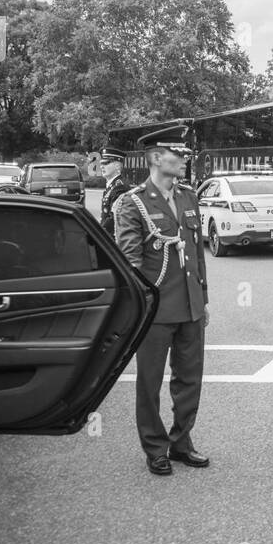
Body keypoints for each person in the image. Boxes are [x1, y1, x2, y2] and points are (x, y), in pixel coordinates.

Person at [114, 126, 211, 476]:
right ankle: (155, 448)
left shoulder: (188, 197)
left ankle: (182, 443)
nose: (185, 159)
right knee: (150, 383)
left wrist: (204, 298)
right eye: (178, 153)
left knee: (189, 380)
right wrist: (139, 308)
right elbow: (130, 261)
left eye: (185, 154)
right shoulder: (133, 202)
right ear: (156, 158)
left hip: (190, 307)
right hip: (156, 310)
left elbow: (197, 254)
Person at [99, 146, 129, 238]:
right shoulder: (113, 186)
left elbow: (114, 218)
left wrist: (98, 233)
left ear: (117, 166)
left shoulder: (120, 187)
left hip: (114, 240)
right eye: (101, 163)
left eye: (106, 163)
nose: (102, 166)